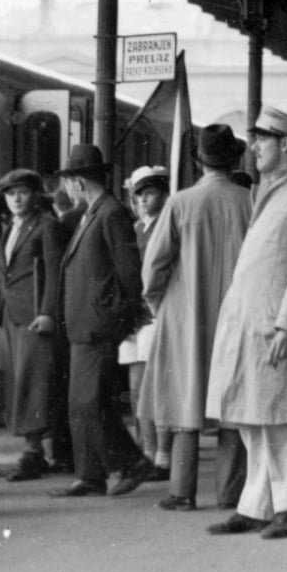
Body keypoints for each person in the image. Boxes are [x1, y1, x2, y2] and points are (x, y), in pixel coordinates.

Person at [205, 108, 287, 541]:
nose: (254, 148)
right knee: (254, 419)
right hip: (251, 325)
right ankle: (257, 505)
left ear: (286, 144)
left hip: (277, 328)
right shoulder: (274, 191)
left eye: (262, 139)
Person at [139, 125, 252, 512]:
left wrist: (159, 304)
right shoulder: (251, 201)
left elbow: (154, 267)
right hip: (238, 316)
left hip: (186, 317)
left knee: (185, 401)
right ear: (236, 159)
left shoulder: (180, 202)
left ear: (198, 161)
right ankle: (230, 494)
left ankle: (182, 492)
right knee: (232, 405)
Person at [49, 144, 151, 498]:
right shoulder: (94, 212)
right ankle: (90, 473)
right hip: (86, 322)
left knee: (89, 401)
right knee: (82, 401)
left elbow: (128, 272)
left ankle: (130, 461)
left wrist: (118, 314)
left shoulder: (110, 213)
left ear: (77, 182)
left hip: (98, 323)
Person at [0, 169, 64, 483]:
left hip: (34, 314)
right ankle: (34, 451)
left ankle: (34, 454)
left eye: (22, 192)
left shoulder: (46, 226)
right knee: (19, 384)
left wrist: (48, 311)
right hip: (12, 315)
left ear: (35, 194)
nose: (16, 199)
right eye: (10, 194)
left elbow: (54, 272)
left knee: (33, 383)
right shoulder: (10, 228)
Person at [118, 166, 170, 477]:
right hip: (134, 315)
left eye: (149, 194)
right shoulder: (135, 229)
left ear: (163, 195)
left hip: (155, 314)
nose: (142, 200)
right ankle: (147, 451)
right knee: (137, 388)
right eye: (138, 195)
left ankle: (162, 453)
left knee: (156, 388)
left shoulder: (166, 227)